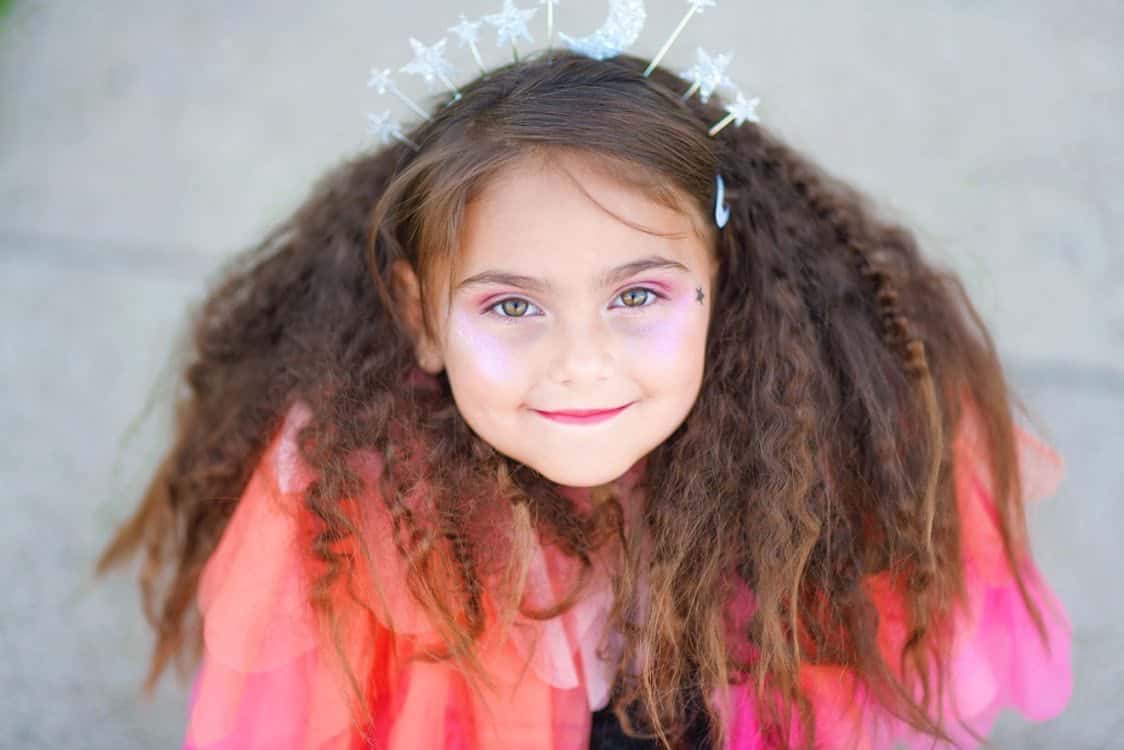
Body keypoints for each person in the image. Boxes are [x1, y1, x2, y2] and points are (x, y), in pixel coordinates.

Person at [96, 47, 1072, 750]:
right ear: (422, 318)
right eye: (512, 303)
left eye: (636, 295)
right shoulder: (352, 493)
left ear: (719, 289)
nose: (580, 363)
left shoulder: (831, 433)